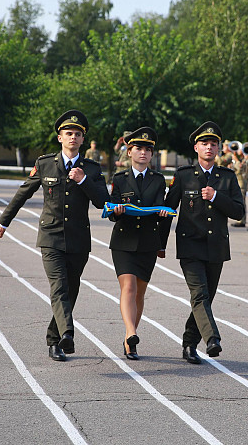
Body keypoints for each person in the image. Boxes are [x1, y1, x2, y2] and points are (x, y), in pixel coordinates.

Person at [0, 110, 109, 362]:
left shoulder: (90, 168)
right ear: (60, 138)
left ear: (82, 140)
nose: (73, 138)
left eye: (78, 134)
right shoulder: (45, 163)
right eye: (68, 133)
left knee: (72, 288)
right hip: (51, 236)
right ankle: (67, 333)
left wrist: (83, 181)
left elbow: (103, 202)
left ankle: (53, 338)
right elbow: (24, 192)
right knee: (59, 287)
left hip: (79, 238)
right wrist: (5, 220)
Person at [161, 121, 245, 364]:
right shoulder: (183, 175)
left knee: (206, 297)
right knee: (199, 295)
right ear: (196, 147)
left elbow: (238, 212)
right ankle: (212, 339)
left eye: (213, 144)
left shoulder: (227, 178)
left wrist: (217, 196)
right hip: (190, 246)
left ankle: (189, 343)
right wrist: (161, 243)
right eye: (204, 143)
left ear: (218, 148)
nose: (209, 147)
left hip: (216, 247)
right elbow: (168, 209)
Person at [108, 127, 169, 360]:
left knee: (140, 294)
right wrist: (118, 211)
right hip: (123, 241)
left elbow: (162, 213)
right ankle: (131, 332)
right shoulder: (120, 179)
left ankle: (128, 339)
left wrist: (161, 244)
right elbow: (112, 212)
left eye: (147, 149)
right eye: (138, 148)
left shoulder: (158, 179)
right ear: (129, 151)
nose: (143, 153)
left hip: (147, 243)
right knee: (129, 287)